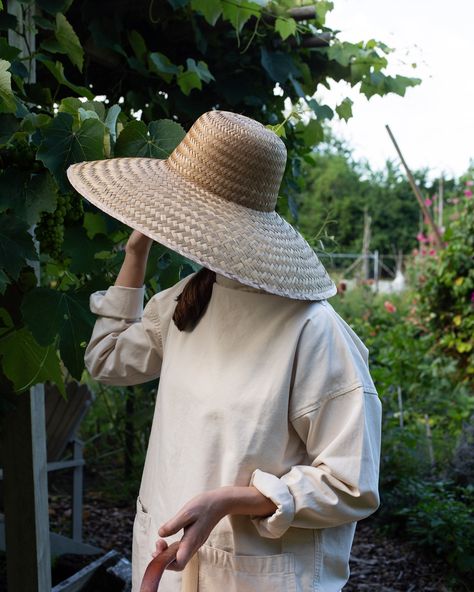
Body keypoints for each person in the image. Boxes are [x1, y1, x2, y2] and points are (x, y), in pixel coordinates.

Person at [67, 110, 382, 592]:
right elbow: (106, 360)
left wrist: (231, 500)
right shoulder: (187, 298)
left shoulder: (314, 332)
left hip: (255, 577)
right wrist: (135, 254)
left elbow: (350, 484)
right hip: (166, 566)